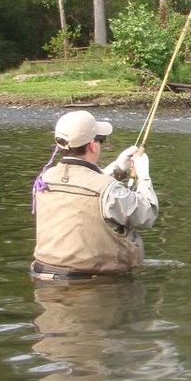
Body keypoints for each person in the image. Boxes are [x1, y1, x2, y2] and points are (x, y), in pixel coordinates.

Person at [32, 110, 158, 279]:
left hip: (43, 280)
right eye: (101, 140)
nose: (101, 144)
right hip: (95, 286)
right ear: (92, 145)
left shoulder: (45, 179)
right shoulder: (109, 190)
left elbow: (84, 190)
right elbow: (147, 214)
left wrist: (117, 168)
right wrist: (144, 176)